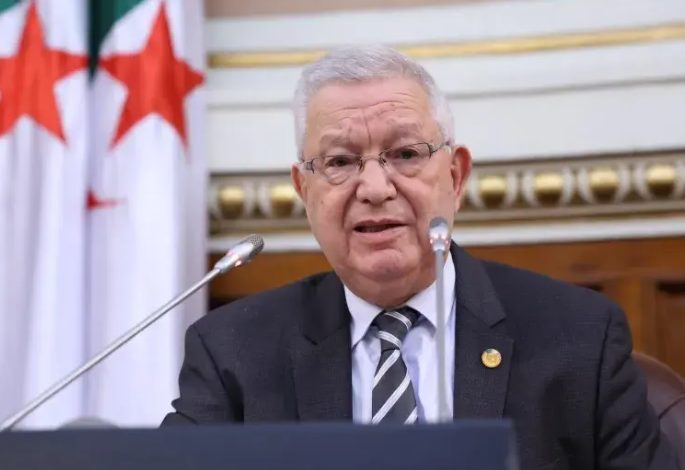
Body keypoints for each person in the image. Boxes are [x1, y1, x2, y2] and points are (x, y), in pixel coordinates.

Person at [163, 45, 679, 469]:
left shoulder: (579, 337)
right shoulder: (234, 352)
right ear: (304, 190)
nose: (374, 188)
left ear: (455, 176)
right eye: (340, 161)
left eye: (406, 154)